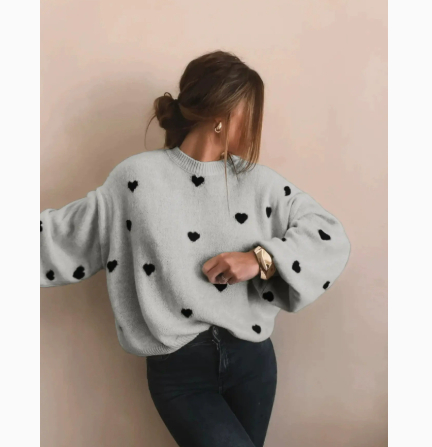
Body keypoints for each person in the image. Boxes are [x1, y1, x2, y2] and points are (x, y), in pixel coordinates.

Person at [40, 50, 351, 447]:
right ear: (222, 113)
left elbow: (330, 235)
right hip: (179, 372)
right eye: (251, 111)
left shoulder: (260, 184)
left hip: (253, 363)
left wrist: (260, 259)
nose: (257, 125)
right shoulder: (136, 180)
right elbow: (62, 236)